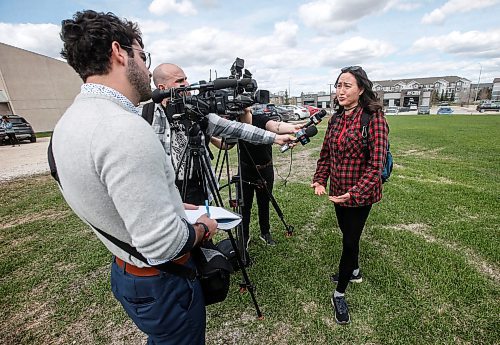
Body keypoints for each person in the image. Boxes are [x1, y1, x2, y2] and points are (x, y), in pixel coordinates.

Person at [54, 10, 217, 344]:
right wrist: (204, 227)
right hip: (163, 280)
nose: (144, 65)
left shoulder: (67, 124)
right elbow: (163, 244)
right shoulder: (124, 129)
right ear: (119, 52)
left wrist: (173, 203)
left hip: (127, 269)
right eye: (143, 56)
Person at [146, 63, 294, 206]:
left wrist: (276, 138)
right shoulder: (147, 115)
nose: (187, 83)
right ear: (162, 88)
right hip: (165, 192)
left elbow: (238, 129)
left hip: (199, 189)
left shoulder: (197, 112)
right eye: (180, 81)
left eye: (185, 78)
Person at [311, 66, 389, 325]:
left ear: (361, 89)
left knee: (349, 241)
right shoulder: (336, 119)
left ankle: (340, 293)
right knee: (347, 234)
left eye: (347, 85)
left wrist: (353, 193)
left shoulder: (373, 118)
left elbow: (376, 165)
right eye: (338, 85)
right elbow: (326, 154)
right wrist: (320, 179)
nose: (340, 91)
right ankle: (354, 271)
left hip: (361, 194)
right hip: (338, 192)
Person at [239, 110, 302, 247]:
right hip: (245, 170)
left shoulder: (260, 119)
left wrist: (293, 128)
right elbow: (226, 145)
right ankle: (244, 236)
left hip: (265, 169)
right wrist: (211, 138)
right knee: (244, 206)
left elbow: (276, 126)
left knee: (264, 203)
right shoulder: (235, 123)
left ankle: (265, 232)